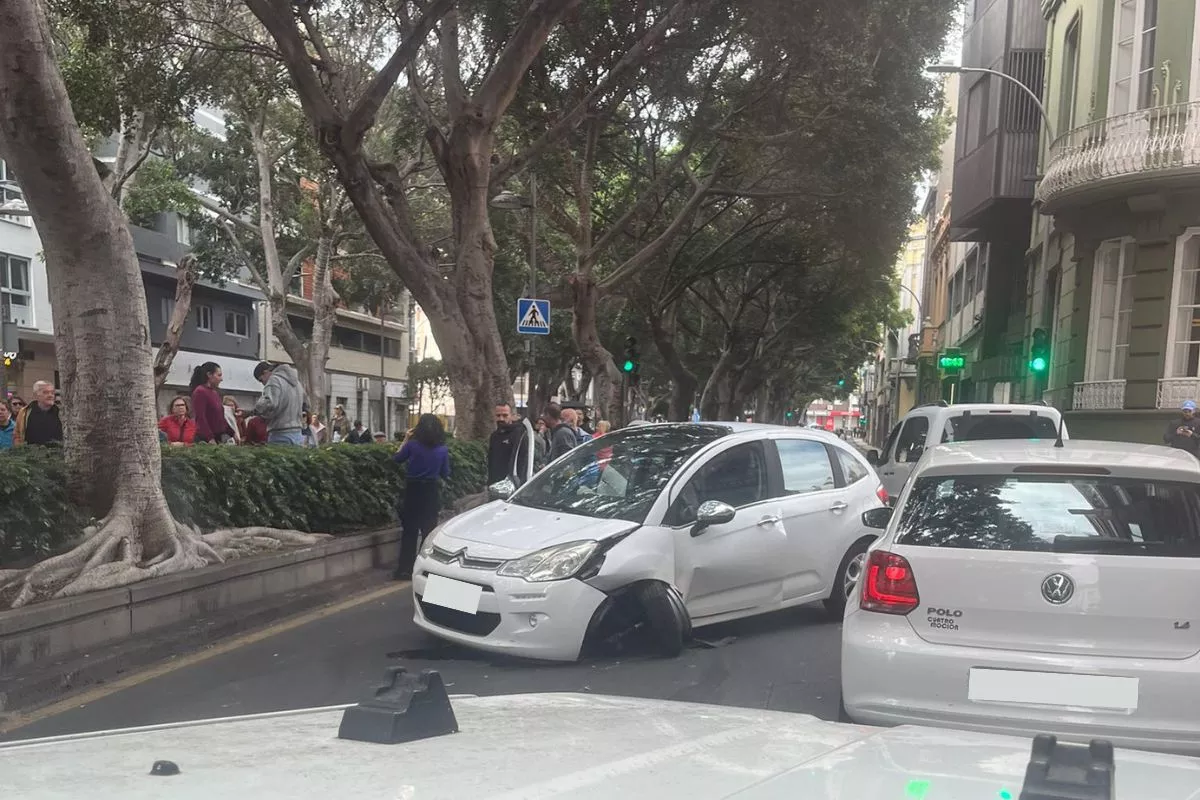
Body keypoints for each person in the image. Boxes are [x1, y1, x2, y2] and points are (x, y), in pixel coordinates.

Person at [392, 414, 451, 581]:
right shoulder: (442, 450)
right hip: (431, 492)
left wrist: (405, 439)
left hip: (413, 491)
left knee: (409, 532)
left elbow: (396, 459)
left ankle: (404, 570)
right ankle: (426, 571)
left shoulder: (412, 446)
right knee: (428, 534)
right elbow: (446, 473)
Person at [252, 361, 304, 445]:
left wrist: (255, 410)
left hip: (280, 432)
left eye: (261, 380)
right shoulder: (297, 383)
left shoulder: (273, 380)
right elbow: (306, 404)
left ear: (266, 372)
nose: (263, 384)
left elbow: (269, 403)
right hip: (297, 434)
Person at [189, 363, 232, 444]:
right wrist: (210, 438)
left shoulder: (215, 393)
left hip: (218, 437)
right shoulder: (200, 391)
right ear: (209, 375)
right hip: (206, 439)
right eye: (219, 375)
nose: (221, 379)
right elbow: (200, 418)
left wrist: (232, 433)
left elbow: (221, 418)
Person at [14, 380, 64, 446]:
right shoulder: (24, 412)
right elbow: (17, 435)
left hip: (56, 454)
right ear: (35, 395)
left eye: (52, 393)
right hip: (31, 454)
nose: (50, 395)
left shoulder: (61, 412)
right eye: (45, 392)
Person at [487, 402, 524, 485]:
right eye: (498, 415)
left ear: (511, 416)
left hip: (513, 485)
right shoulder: (494, 436)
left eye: (505, 415)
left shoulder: (519, 434)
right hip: (495, 484)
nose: (501, 419)